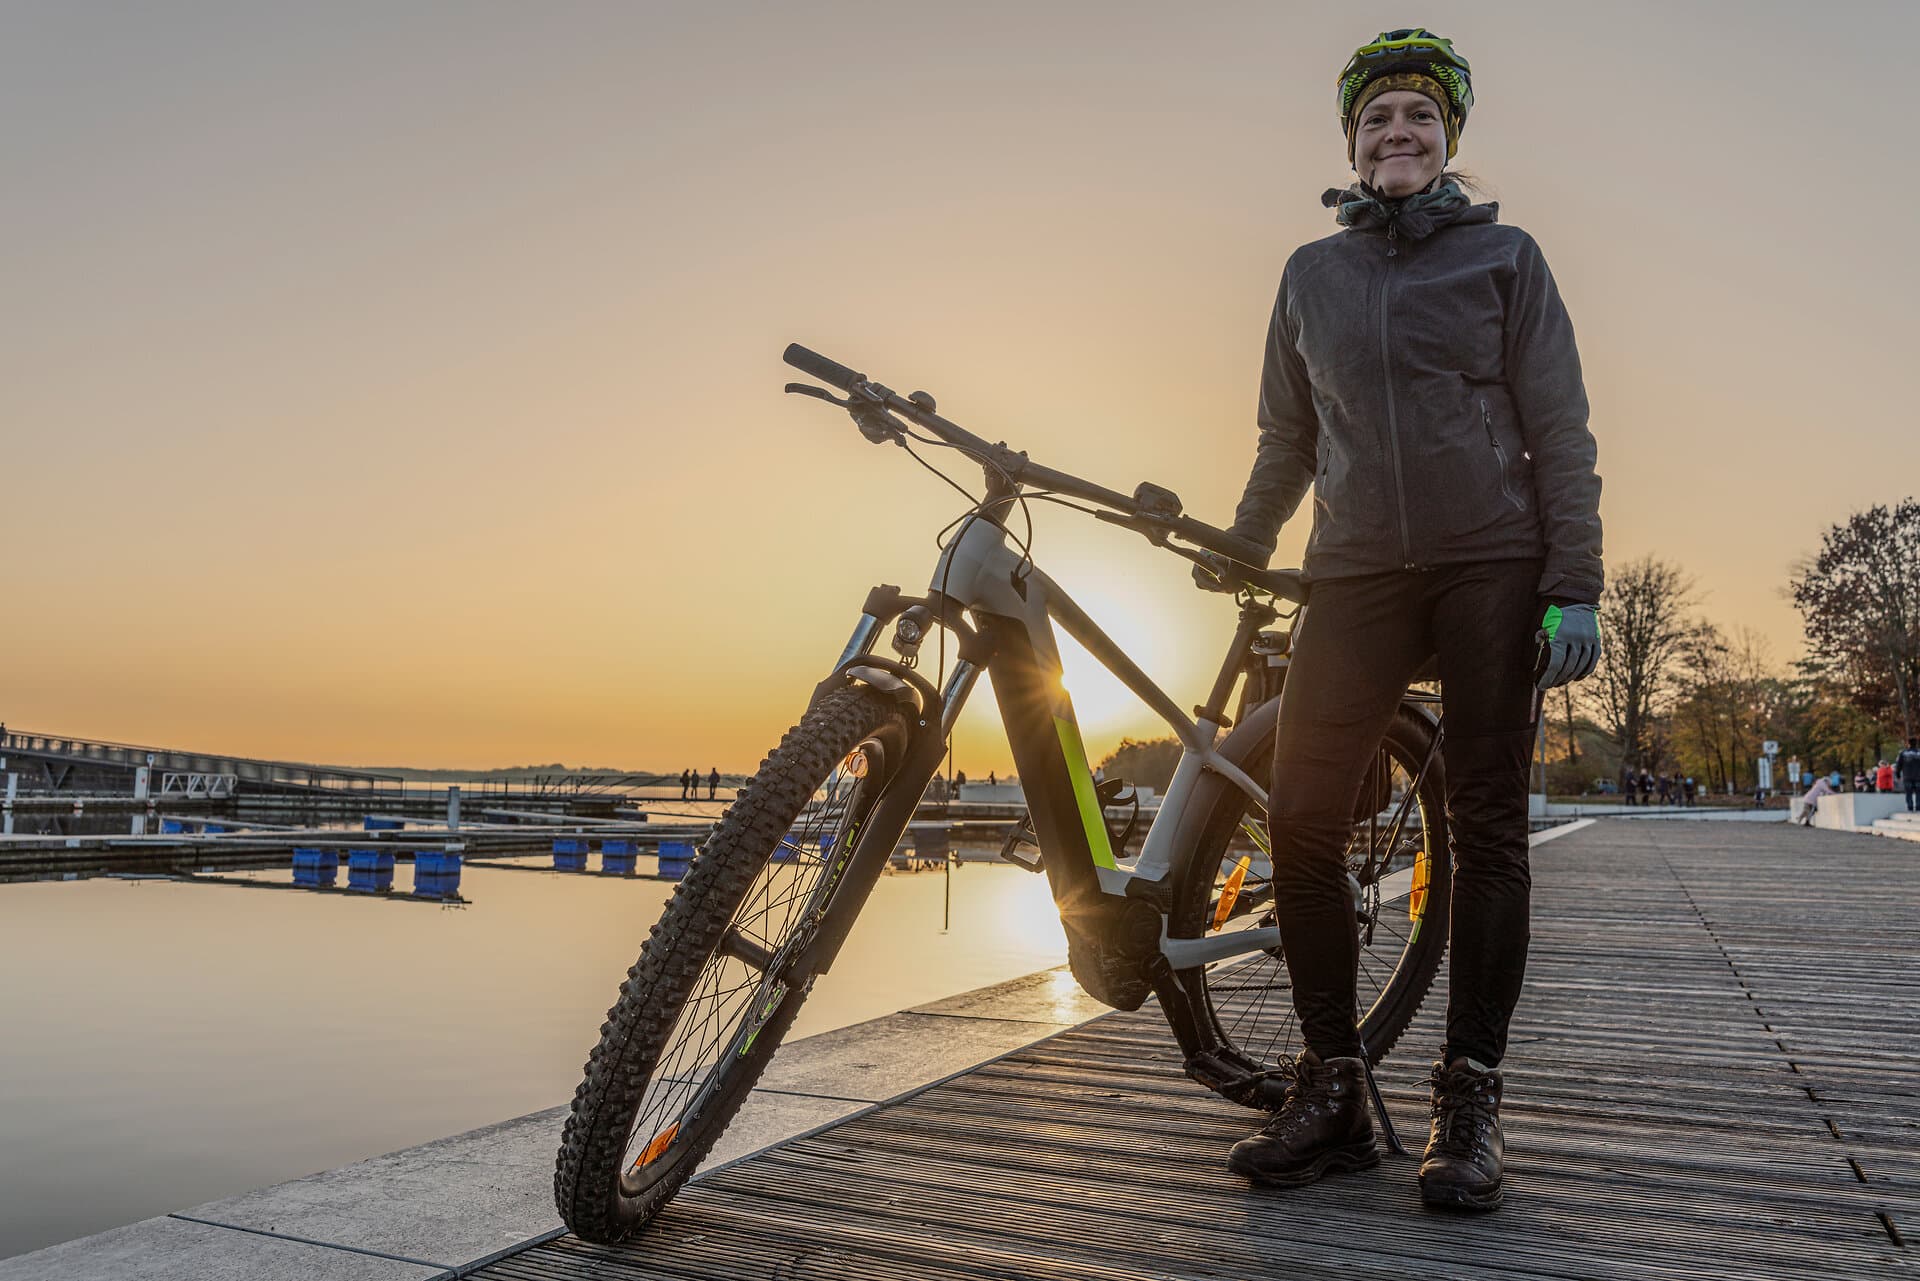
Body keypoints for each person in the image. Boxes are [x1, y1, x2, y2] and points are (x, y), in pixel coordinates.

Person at [1209, 29, 1602, 1213]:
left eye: (1419, 121)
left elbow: (1562, 431)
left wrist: (1574, 582)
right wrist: (1244, 539)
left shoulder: (1506, 258)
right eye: (1378, 119)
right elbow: (1289, 436)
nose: (1398, 136)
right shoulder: (1308, 275)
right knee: (1306, 814)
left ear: (1449, 145)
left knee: (1484, 827)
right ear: (1351, 141)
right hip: (1356, 570)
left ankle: (1470, 1091)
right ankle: (1330, 1086)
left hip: (1493, 561)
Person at [1897, 738, 1920, 812]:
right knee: (1918, 792)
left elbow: (1899, 765)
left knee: (1908, 792)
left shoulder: (1903, 753)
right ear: (1916, 744)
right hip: (1918, 776)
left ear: (1908, 744)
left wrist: (1898, 774)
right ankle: (1918, 806)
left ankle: (1910, 806)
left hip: (1907, 776)